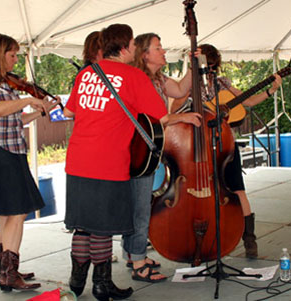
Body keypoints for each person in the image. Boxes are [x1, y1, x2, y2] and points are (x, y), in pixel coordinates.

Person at [63, 24, 201, 300]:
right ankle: (102, 285)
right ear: (125, 47)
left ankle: (76, 282)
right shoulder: (133, 75)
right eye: (134, 45)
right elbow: (159, 117)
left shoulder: (87, 72)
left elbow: (69, 111)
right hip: (108, 160)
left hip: (77, 160)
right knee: (102, 226)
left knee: (83, 224)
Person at [0, 33, 58, 292]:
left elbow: (11, 120)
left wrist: (38, 111)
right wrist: (29, 99)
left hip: (9, 150)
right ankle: (9, 272)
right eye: (12, 55)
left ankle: (4, 270)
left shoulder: (4, 84)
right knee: (18, 211)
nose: (15, 60)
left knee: (7, 212)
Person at [195, 43, 282, 258]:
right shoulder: (191, 85)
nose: (211, 70)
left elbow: (249, 100)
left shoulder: (223, 83)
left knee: (237, 189)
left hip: (225, 143)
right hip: (201, 144)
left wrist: (271, 90)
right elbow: (176, 106)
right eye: (209, 65)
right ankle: (207, 239)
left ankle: (249, 239)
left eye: (213, 65)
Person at [122, 32, 196, 283]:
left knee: (138, 203)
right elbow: (155, 117)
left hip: (149, 149)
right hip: (139, 151)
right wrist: (182, 117)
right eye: (158, 47)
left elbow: (180, 89)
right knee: (140, 206)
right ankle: (139, 261)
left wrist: (192, 64)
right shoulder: (139, 80)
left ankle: (133, 254)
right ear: (144, 54)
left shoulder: (158, 78)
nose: (164, 51)